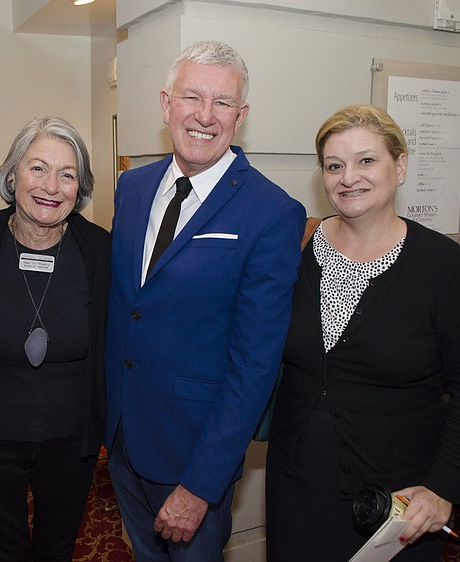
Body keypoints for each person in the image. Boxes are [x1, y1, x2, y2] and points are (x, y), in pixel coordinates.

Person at [266, 104, 460, 561]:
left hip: (399, 503)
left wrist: (444, 487)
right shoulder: (294, 250)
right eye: (335, 165)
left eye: (366, 160)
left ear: (401, 165)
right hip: (296, 488)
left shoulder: (443, 267)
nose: (348, 176)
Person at [104, 40, 306, 560]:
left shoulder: (271, 212)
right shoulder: (131, 188)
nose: (204, 116)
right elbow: (129, 308)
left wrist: (201, 484)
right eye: (192, 97)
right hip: (125, 438)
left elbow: (254, 364)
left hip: (193, 458)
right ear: (166, 103)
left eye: (222, 103)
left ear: (240, 116)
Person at [0, 116, 110, 562]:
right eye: (38, 168)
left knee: (56, 549)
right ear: (12, 174)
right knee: (3, 550)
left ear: (80, 189)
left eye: (68, 175)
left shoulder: (99, 251)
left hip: (71, 442)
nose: (51, 186)